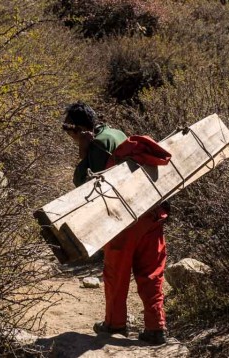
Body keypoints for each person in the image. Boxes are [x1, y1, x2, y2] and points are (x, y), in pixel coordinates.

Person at [62, 101, 168, 345]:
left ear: (79, 129)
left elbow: (88, 186)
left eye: (69, 130)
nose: (70, 136)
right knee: (151, 273)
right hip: (151, 212)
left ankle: (115, 323)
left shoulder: (97, 144)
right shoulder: (115, 133)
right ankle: (156, 328)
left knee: (116, 274)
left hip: (124, 219)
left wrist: (84, 152)